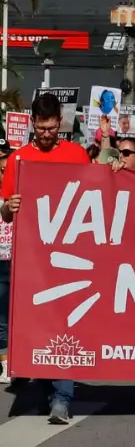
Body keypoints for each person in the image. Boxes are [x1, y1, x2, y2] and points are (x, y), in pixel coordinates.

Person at [0, 93, 96, 425]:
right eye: (41, 128)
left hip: (70, 259)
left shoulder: (77, 154)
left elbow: (98, 197)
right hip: (31, 261)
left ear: (61, 123)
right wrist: (7, 208)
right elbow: (5, 212)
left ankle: (62, 398)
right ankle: (45, 388)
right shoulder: (18, 159)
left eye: (52, 128)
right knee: (38, 329)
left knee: (62, 324)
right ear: (32, 123)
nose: (46, 134)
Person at [0, 140, 13, 385]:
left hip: (20, 263)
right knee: (1, 318)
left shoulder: (21, 194)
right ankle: (4, 362)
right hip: (0, 264)